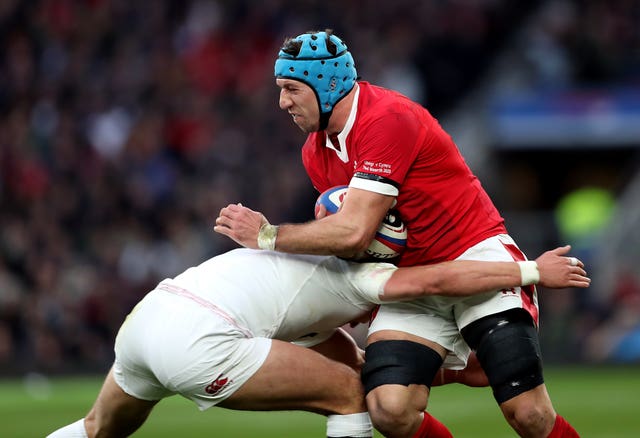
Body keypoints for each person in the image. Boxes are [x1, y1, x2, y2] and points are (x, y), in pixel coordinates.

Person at [215, 29, 582, 438]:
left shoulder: (387, 118)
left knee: (528, 415)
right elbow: (357, 244)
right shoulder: (314, 152)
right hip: (409, 281)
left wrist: (267, 236)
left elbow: (353, 232)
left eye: (291, 89)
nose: (283, 102)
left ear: (327, 83)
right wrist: (360, 297)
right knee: (389, 410)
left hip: (475, 257)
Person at [46, 246, 589, 438]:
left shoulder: (310, 289)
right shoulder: (357, 272)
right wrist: (529, 273)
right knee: (350, 399)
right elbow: (437, 281)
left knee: (97, 429)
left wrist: (450, 375)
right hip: (199, 336)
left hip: (147, 320)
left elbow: (359, 361)